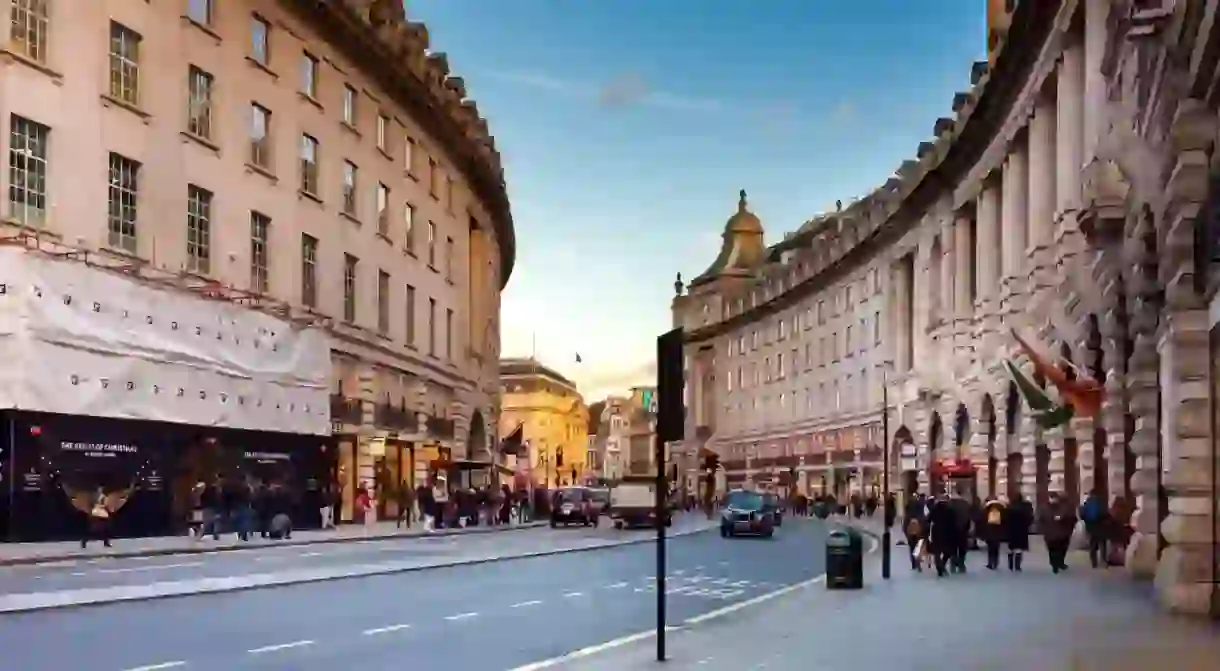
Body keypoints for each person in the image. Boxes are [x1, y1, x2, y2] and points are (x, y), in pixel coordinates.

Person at [1040, 492, 1077, 574]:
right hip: (1053, 533)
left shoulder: (1063, 508)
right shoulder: (1045, 509)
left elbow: (1072, 518)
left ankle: (1058, 563)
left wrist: (1064, 519)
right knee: (1054, 550)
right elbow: (1041, 520)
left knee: (1059, 549)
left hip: (1061, 533)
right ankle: (1055, 564)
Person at [927, 494, 960, 577]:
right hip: (948, 531)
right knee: (948, 551)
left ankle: (939, 568)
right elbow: (954, 521)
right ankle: (943, 563)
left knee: (937, 551)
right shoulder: (950, 509)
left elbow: (928, 520)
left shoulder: (934, 509)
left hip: (936, 531)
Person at [1078, 489, 1110, 569]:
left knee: (1092, 545)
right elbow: (1105, 514)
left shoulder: (1087, 502)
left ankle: (1094, 563)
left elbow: (1083, 515)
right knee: (1102, 544)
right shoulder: (1101, 502)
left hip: (1091, 527)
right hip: (1101, 526)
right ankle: (1103, 561)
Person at [1004, 494, 1033, 571]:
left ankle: (1010, 565)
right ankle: (1017, 566)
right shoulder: (1025, 508)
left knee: (1010, 549)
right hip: (1022, 531)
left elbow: (1005, 519)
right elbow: (1030, 518)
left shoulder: (1009, 508)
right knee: (1019, 549)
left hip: (1010, 531)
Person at [980, 497, 1007, 570]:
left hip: (989, 531)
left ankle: (990, 563)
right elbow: (1005, 521)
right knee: (996, 548)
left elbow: (983, 520)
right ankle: (995, 562)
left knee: (990, 548)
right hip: (998, 531)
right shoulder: (1001, 508)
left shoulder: (987, 509)